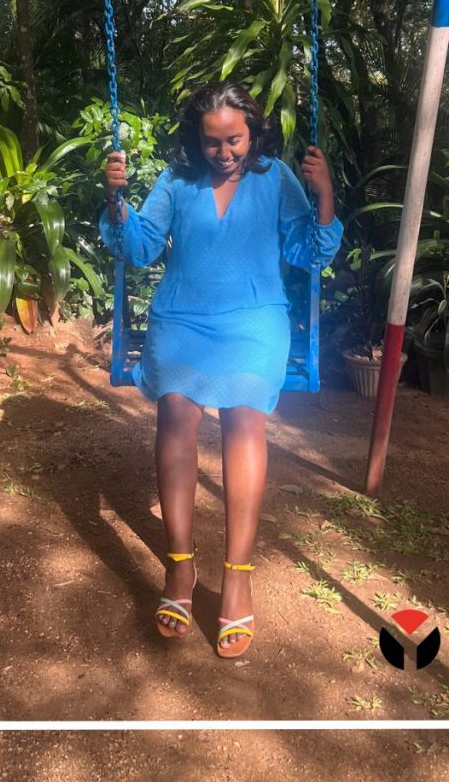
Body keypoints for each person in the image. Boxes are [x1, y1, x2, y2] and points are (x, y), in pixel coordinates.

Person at [100, 81, 343, 658]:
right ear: (197, 140)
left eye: (234, 140)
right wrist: (115, 201)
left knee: (244, 418)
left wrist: (325, 194)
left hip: (254, 321)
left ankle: (237, 574)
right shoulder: (176, 181)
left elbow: (308, 251)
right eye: (213, 142)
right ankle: (180, 566)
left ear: (252, 133)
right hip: (183, 316)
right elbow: (140, 247)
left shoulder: (275, 178)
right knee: (176, 413)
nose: (225, 152)